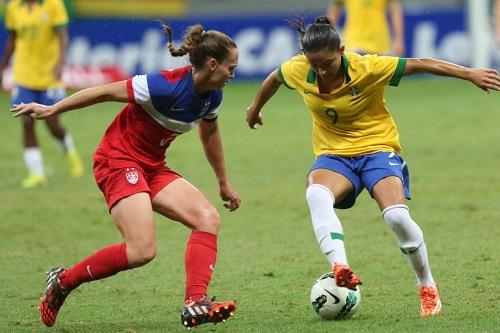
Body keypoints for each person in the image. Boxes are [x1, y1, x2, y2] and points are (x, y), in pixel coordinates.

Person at [246, 16, 500, 317]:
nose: (321, 70)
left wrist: (469, 73)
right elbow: (274, 78)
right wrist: (254, 108)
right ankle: (340, 267)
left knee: (396, 218)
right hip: (334, 156)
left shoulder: (367, 67)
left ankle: (427, 285)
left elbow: (420, 63)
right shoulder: (299, 69)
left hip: (378, 149)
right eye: (314, 64)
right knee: (316, 193)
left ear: (341, 50)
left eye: (327, 62)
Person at [12, 23, 241, 329]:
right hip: (117, 160)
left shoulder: (212, 97)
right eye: (231, 67)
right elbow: (105, 91)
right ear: (212, 64)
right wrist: (53, 109)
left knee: (208, 219)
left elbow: (210, 133)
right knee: (142, 250)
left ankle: (195, 303)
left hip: (151, 166)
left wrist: (223, 182)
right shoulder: (163, 85)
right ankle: (63, 281)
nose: (233, 74)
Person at [0, 0, 83, 188]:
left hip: (49, 76)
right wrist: (3, 67)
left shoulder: (53, 4)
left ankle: (69, 151)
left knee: (52, 123)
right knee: (27, 122)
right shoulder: (13, 7)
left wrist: (60, 65)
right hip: (23, 75)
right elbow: (13, 39)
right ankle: (36, 173)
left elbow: (63, 36)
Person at [328, 0, 405, 56]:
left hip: (380, 43)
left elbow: (395, 11)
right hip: (353, 43)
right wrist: (329, 37)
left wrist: (399, 40)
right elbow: (334, 11)